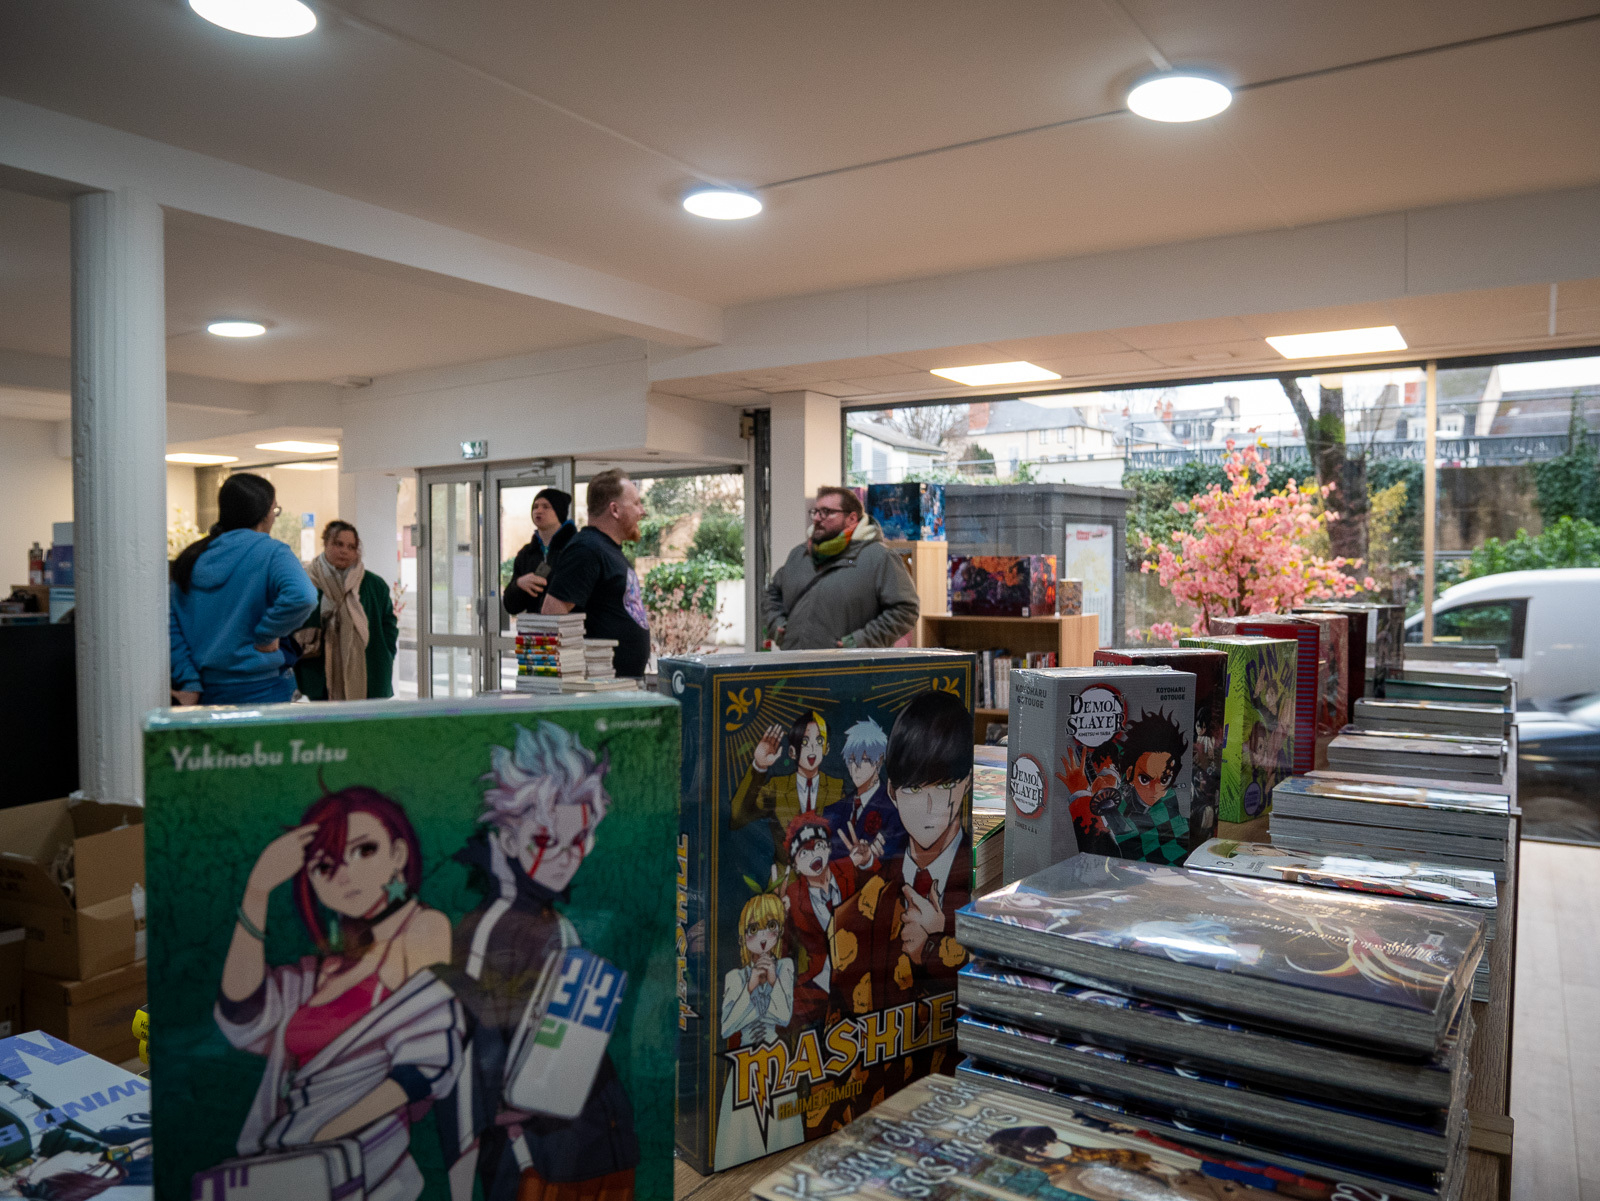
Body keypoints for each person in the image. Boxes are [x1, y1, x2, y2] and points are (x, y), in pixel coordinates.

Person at [204, 787, 461, 1201]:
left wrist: (326, 1134)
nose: (344, 875)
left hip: (368, 1167)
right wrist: (257, 891)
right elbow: (241, 1013)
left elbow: (426, 1060)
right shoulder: (316, 974)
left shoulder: (423, 929)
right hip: (292, 1164)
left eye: (364, 850)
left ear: (398, 854)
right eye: (325, 865)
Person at [436, 722, 640, 1201]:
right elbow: (461, 1081)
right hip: (538, 1165)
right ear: (508, 840)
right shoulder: (486, 931)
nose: (565, 858)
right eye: (545, 841)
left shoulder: (559, 926)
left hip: (600, 1150)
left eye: (579, 839)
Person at [168, 473, 317, 705]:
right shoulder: (272, 552)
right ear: (264, 513)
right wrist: (266, 635)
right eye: (275, 510)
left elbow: (171, 624)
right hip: (264, 688)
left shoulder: (191, 558)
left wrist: (189, 680)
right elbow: (303, 596)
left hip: (207, 692)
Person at [763, 486, 919, 650]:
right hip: (794, 662)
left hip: (847, 664)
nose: (817, 518)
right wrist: (776, 625)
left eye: (827, 512)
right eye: (815, 512)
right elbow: (772, 594)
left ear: (851, 518)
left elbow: (905, 609)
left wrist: (860, 642)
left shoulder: (879, 558)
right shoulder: (800, 554)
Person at [540, 469, 651, 678]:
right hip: (600, 687)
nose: (642, 511)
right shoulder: (586, 549)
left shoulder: (607, 549)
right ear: (615, 509)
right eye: (636, 503)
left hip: (620, 684)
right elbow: (552, 614)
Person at [292, 520, 400, 700]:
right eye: (338, 544)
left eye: (351, 547)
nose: (344, 551)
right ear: (326, 544)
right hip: (318, 675)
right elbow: (292, 624)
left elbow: (389, 625)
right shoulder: (306, 582)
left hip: (369, 674)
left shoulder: (374, 585)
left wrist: (387, 653)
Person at [822, 717, 908, 864]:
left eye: (864, 759)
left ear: (879, 761)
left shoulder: (894, 811)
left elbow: (893, 860)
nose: (856, 767)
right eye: (852, 760)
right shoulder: (834, 810)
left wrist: (867, 859)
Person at [503, 488, 577, 617]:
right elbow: (511, 606)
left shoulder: (576, 548)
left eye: (546, 507)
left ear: (559, 512)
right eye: (535, 507)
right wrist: (518, 585)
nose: (538, 511)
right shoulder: (526, 553)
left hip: (572, 626)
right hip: (535, 627)